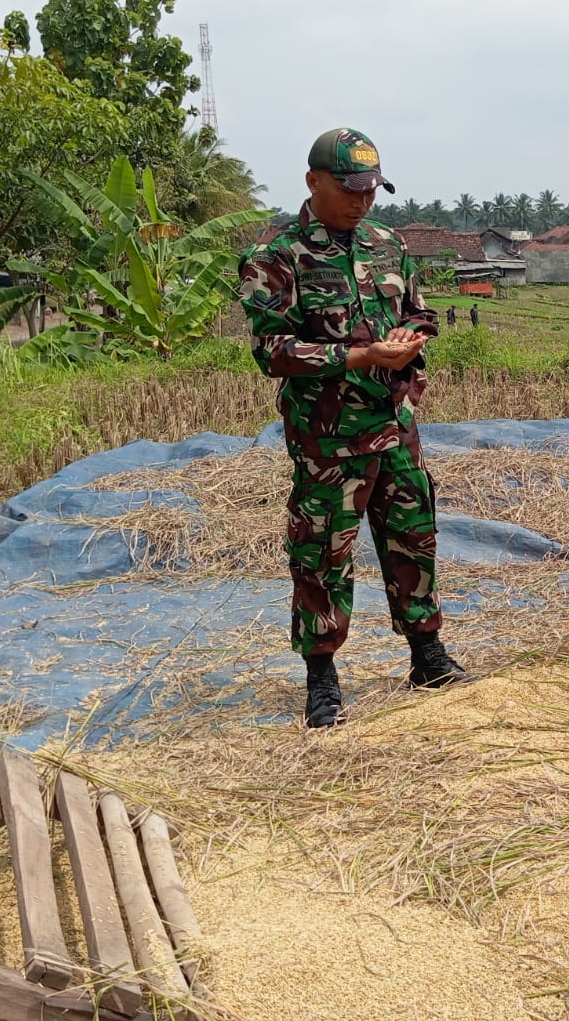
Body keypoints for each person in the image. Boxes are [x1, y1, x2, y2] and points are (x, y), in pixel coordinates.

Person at [237, 127, 467, 730]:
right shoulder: (277, 258)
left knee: (413, 534)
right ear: (314, 182)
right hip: (328, 439)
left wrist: (409, 338)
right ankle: (322, 679)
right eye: (351, 190)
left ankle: (427, 654)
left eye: (371, 191)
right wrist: (357, 358)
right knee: (322, 552)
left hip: (396, 425)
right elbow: (272, 350)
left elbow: (419, 311)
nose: (363, 202)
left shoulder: (389, 245)